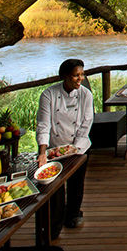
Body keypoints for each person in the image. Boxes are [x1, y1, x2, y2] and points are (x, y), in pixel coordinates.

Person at [36, 58, 94, 230]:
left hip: (79, 145)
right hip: (55, 147)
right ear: (65, 76)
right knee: (55, 186)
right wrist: (42, 152)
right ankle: (55, 222)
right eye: (76, 75)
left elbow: (86, 123)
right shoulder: (49, 95)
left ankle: (74, 214)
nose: (80, 79)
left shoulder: (85, 95)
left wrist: (74, 147)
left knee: (77, 183)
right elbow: (44, 124)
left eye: (82, 75)